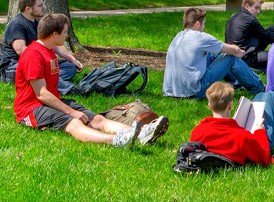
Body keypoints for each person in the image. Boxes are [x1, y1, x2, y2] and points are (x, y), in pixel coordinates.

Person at [15, 13, 168, 148]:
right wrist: (70, 111)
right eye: (65, 32)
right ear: (54, 34)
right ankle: (116, 140)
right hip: (31, 109)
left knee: (96, 119)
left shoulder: (48, 50)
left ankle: (141, 133)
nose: (67, 36)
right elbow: (41, 94)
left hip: (53, 101)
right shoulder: (33, 55)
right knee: (74, 122)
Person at [190, 82, 274, 167]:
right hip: (255, 142)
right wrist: (259, 131)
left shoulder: (197, 131)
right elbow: (264, 158)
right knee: (270, 96)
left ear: (210, 106)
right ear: (230, 105)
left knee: (260, 97)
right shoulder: (242, 136)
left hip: (235, 138)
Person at [163, 8, 264, 99]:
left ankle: (237, 84)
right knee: (230, 58)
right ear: (197, 24)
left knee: (212, 54)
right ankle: (258, 86)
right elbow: (234, 51)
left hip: (172, 92)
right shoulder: (200, 37)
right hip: (194, 92)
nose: (204, 28)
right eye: (204, 24)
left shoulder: (178, 37)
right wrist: (240, 53)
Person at [0, 0, 82, 92]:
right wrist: (44, 62)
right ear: (28, 9)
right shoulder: (16, 24)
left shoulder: (38, 23)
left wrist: (72, 59)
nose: (44, 7)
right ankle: (71, 89)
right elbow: (21, 50)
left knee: (69, 67)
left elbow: (55, 43)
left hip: (37, 64)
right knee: (42, 70)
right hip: (13, 67)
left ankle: (45, 80)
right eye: (40, 5)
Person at [224, 0, 274, 71]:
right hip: (247, 57)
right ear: (247, 6)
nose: (258, 12)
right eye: (256, 8)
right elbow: (266, 36)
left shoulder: (234, 15)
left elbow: (263, 34)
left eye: (259, 9)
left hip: (237, 52)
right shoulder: (251, 20)